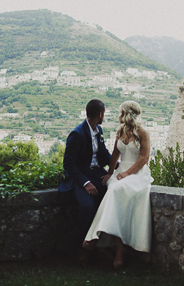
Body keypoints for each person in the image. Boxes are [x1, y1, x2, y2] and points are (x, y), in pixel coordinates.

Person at [83, 100, 152, 269]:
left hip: (137, 173)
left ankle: (96, 236)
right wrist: (109, 173)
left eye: (120, 113)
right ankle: (119, 248)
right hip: (121, 172)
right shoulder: (120, 131)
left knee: (116, 190)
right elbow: (114, 155)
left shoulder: (143, 132)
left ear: (127, 114)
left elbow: (144, 157)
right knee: (113, 188)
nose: (118, 116)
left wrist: (128, 173)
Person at [59, 99, 112, 264]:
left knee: (111, 201)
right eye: (104, 113)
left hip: (97, 174)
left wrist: (120, 167)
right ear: (100, 114)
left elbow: (104, 155)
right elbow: (68, 164)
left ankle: (101, 246)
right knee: (87, 207)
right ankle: (80, 249)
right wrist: (85, 183)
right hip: (80, 178)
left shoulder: (98, 129)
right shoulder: (77, 134)